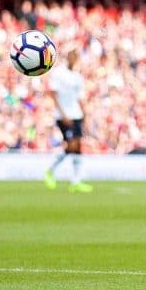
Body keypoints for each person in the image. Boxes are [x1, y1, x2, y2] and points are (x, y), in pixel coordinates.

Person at [44, 49, 93, 193]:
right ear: (68, 57)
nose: (74, 59)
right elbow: (53, 94)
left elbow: (80, 98)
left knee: (77, 147)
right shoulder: (59, 73)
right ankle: (50, 171)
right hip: (63, 115)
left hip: (76, 114)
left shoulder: (78, 77)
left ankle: (76, 181)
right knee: (71, 145)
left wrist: (85, 116)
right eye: (73, 56)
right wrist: (63, 114)